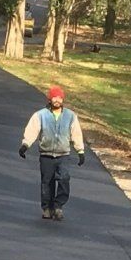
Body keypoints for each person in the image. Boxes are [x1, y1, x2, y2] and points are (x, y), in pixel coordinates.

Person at [19, 84, 86, 220]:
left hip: (63, 155)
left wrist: (80, 151)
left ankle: (58, 206)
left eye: (59, 98)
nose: (57, 100)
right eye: (54, 97)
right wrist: (25, 145)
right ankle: (47, 208)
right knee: (47, 182)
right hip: (46, 155)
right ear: (49, 99)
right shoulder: (40, 115)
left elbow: (76, 134)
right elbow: (32, 130)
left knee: (64, 179)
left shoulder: (70, 116)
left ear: (62, 100)